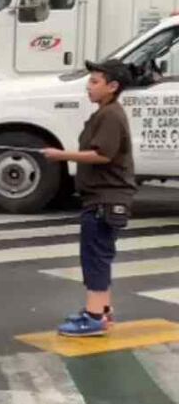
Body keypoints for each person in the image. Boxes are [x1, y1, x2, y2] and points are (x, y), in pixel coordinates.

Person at [44, 59, 136, 336]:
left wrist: (61, 156)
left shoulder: (110, 115)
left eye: (95, 82)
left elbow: (103, 154)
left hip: (104, 200)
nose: (89, 86)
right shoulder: (107, 113)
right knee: (99, 257)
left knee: (95, 258)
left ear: (113, 86)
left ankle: (94, 317)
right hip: (104, 199)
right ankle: (102, 311)